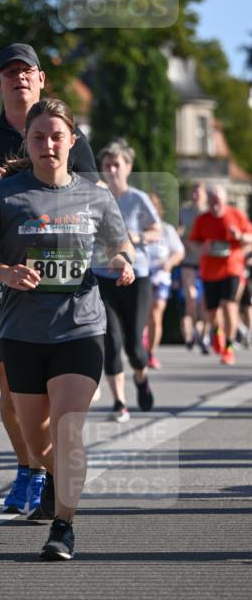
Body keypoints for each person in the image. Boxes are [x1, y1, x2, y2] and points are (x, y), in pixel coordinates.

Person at [0, 99, 135, 560]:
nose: (48, 144)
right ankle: (50, 476)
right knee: (38, 440)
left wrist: (122, 263)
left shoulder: (95, 196)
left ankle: (63, 527)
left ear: (72, 141)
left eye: (57, 136)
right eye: (38, 137)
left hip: (81, 327)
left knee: (68, 429)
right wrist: (5, 272)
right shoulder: (5, 195)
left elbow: (121, 246)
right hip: (22, 330)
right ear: (27, 142)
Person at [0, 43, 99, 518]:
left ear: (41, 79)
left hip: (60, 281)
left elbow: (96, 202)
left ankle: (53, 469)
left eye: (26, 71)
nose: (19, 79)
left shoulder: (69, 135)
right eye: (9, 73)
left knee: (55, 384)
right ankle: (30, 467)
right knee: (12, 384)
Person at [94, 140, 160, 422]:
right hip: (102, 275)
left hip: (136, 276)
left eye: (116, 165)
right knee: (111, 340)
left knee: (134, 345)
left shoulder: (138, 198)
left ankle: (141, 377)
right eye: (107, 165)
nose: (111, 170)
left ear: (128, 168)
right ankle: (119, 402)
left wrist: (138, 237)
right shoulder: (95, 198)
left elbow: (157, 230)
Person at [188, 185, 252, 365]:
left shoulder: (236, 215)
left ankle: (229, 348)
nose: (215, 205)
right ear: (207, 202)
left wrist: (239, 236)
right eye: (212, 202)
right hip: (209, 272)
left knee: (229, 305)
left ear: (225, 201)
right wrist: (202, 249)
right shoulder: (202, 220)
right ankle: (217, 332)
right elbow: (192, 242)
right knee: (212, 313)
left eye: (218, 202)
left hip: (232, 268)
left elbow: (250, 236)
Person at [145, 193, 185, 369]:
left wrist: (169, 263)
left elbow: (179, 252)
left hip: (161, 277)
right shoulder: (135, 228)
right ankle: (142, 339)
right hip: (141, 276)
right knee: (143, 314)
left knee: (156, 312)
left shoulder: (167, 229)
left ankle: (151, 353)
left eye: (153, 207)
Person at [177, 182, 209, 353]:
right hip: (188, 260)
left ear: (205, 195)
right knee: (191, 296)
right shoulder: (184, 211)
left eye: (199, 192)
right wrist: (180, 241)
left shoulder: (209, 213)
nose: (196, 195)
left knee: (205, 303)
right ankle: (195, 327)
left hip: (207, 261)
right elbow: (176, 232)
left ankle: (203, 334)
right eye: (193, 192)